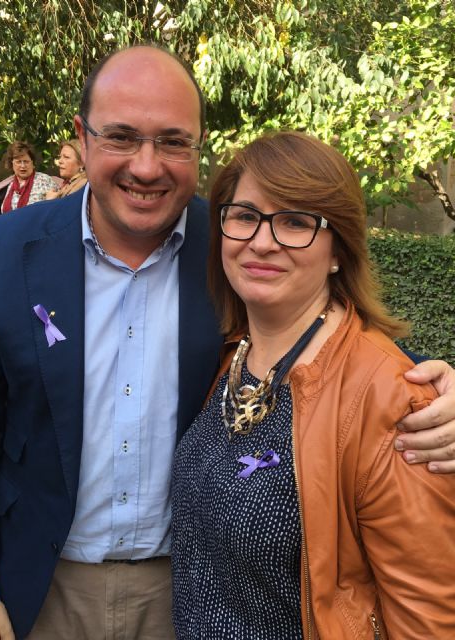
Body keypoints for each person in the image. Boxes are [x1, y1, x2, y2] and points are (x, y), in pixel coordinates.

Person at [0, 45, 454, 640]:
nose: (146, 167)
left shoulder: (227, 245)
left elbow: (338, 360)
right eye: (121, 136)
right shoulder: (0, 255)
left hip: (179, 592)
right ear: (83, 136)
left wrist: (428, 391)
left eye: (173, 141)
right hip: (39, 589)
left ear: (197, 147)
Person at [171, 131, 455, 639]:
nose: (262, 241)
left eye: (296, 222)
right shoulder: (231, 354)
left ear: (338, 249)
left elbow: (429, 618)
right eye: (245, 216)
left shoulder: (394, 401)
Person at [0, 141, 58, 213]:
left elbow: (56, 207)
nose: (23, 166)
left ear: (32, 163)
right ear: (12, 164)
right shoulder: (11, 185)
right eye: (18, 162)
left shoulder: (44, 180)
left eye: (26, 161)